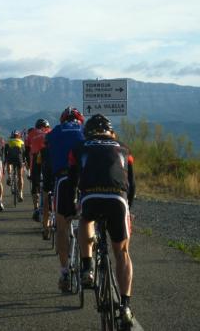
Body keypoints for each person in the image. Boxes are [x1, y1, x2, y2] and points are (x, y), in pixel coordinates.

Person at [67, 114, 136, 326]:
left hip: (91, 196)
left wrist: (72, 205)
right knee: (122, 252)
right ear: (111, 132)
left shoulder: (80, 147)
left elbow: (72, 180)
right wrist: (128, 208)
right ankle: (125, 306)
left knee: (86, 220)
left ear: (88, 132)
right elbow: (131, 184)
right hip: (118, 199)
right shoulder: (124, 148)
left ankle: (87, 267)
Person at [45, 107, 85, 291]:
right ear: (80, 120)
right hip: (86, 181)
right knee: (89, 223)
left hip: (63, 180)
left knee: (61, 229)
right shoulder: (87, 132)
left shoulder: (54, 133)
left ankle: (64, 273)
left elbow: (46, 161)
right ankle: (89, 266)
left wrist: (46, 188)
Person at [25, 119, 51, 221]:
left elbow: (27, 151)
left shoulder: (31, 133)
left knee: (35, 184)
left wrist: (27, 165)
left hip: (36, 159)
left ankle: (36, 208)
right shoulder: (51, 131)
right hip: (50, 158)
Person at [4, 130, 26, 202]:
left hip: (10, 158)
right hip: (19, 159)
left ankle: (9, 175)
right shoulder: (21, 142)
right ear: (19, 136)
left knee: (8, 161)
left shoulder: (8, 141)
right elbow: (24, 153)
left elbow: (5, 152)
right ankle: (20, 193)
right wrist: (24, 162)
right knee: (20, 176)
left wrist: (5, 161)